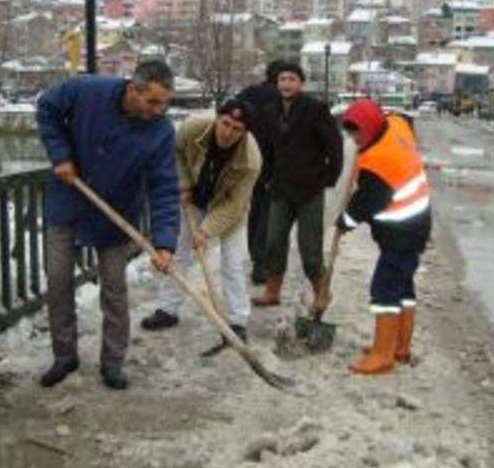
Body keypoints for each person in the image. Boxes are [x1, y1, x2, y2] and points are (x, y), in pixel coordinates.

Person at [36, 60, 180, 390]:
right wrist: (60, 155)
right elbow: (47, 107)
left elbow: (164, 188)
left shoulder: (160, 132)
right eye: (153, 102)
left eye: (165, 103)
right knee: (58, 281)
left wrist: (164, 243)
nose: (160, 110)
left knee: (115, 291)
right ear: (133, 88)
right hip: (68, 200)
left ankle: (113, 363)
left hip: (116, 214)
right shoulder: (87, 90)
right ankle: (64, 356)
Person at [140, 99, 261, 344]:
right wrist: (184, 183)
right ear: (217, 118)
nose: (228, 133)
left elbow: (234, 205)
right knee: (179, 253)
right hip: (194, 199)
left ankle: (237, 322)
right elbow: (175, 152)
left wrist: (206, 231)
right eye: (225, 123)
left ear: (245, 132)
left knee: (233, 265)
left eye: (237, 129)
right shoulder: (193, 127)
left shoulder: (250, 160)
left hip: (228, 210)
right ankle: (168, 309)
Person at [336, 99, 432, 375]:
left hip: (401, 231)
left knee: (384, 288)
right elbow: (401, 119)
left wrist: (344, 222)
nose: (355, 139)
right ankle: (399, 347)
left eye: (359, 134)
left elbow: (365, 204)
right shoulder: (396, 123)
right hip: (416, 222)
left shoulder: (382, 160)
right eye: (351, 133)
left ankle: (382, 355)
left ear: (373, 126)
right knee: (402, 286)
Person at [251, 61, 343, 307]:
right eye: (282, 79)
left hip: (309, 190)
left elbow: (334, 147)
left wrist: (328, 178)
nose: (287, 84)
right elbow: (267, 151)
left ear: (300, 83)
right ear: (276, 83)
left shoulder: (316, 109)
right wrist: (265, 179)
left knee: (309, 248)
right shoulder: (270, 111)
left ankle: (321, 293)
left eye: (292, 79)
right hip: (280, 189)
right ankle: (272, 292)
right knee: (273, 242)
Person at [236, 60, 284, 285]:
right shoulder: (281, 99)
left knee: (255, 209)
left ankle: (255, 255)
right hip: (271, 163)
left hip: (247, 159)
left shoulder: (249, 93)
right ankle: (260, 264)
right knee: (267, 212)